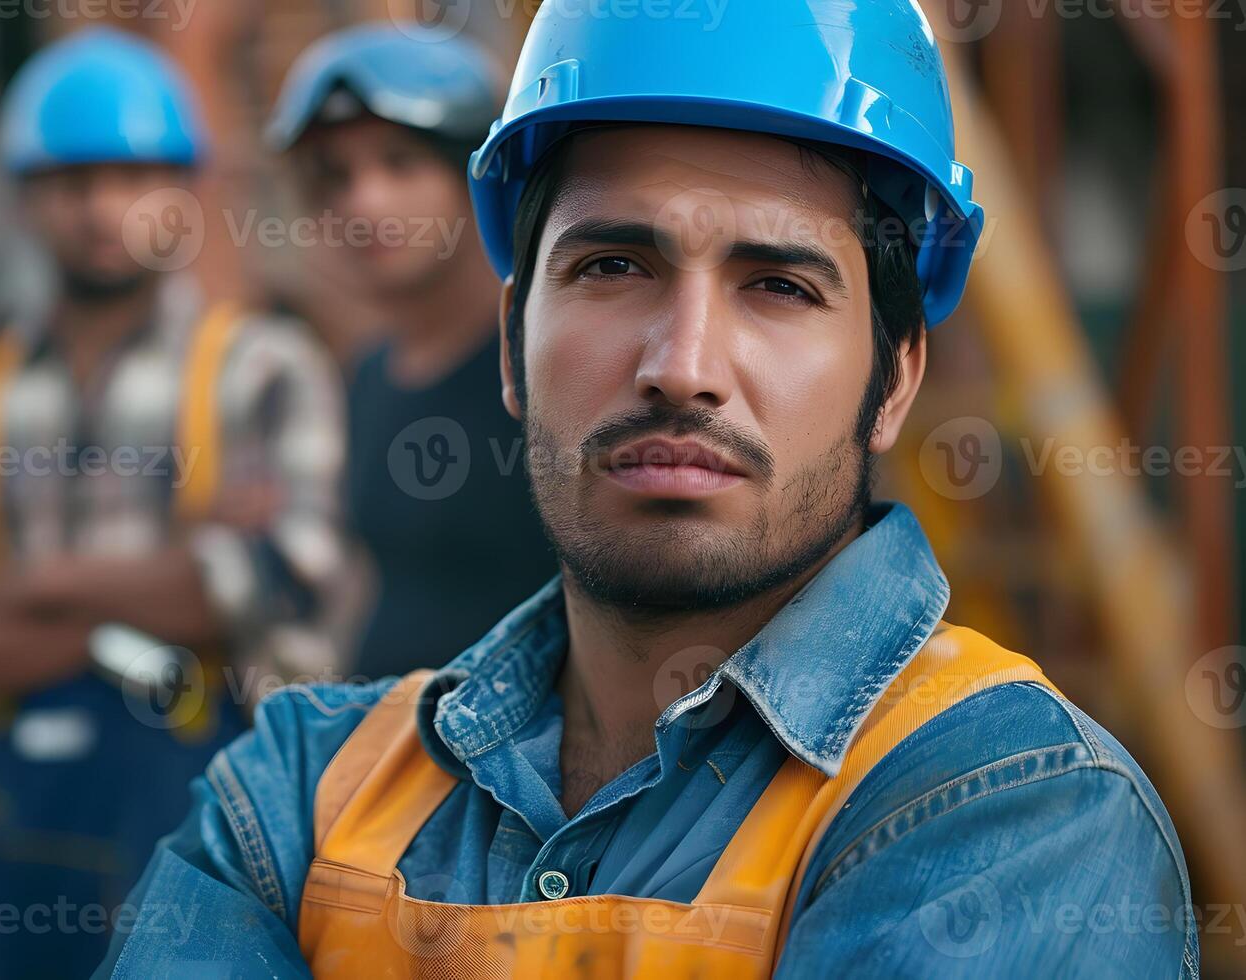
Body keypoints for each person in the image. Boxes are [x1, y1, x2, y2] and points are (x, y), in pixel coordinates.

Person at [99, 3, 1194, 977]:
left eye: (778, 284)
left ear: (895, 375)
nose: (683, 361)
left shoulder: (1011, 807)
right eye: (615, 267)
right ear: (512, 350)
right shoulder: (296, 795)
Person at [0, 27, 352, 977]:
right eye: (70, 182)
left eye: (132, 179)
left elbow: (283, 580)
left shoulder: (262, 370)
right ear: (26, 199)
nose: (100, 209)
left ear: (181, 193)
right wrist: (156, 595)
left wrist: (37, 586)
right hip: (18, 830)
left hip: (213, 812)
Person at [267, 25, 556, 678]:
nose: (362, 203)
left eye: (399, 162)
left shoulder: (545, 366)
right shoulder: (369, 374)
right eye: (334, 176)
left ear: (479, 176)